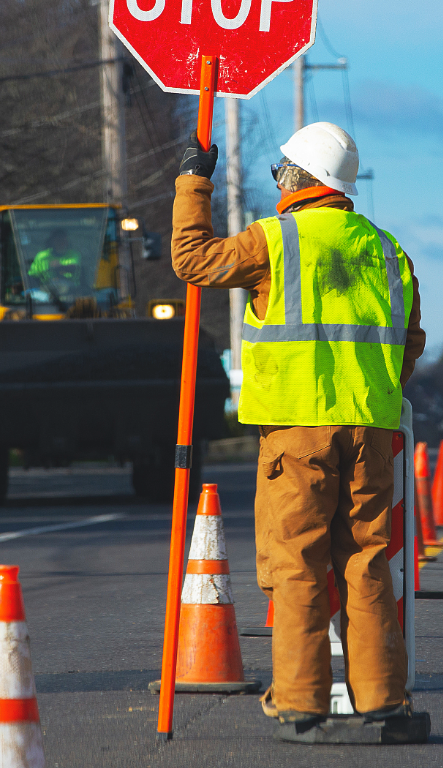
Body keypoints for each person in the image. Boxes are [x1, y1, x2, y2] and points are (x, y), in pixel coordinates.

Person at [171, 120, 427, 736]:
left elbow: (191, 261)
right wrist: (370, 392)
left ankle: (301, 700)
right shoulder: (387, 250)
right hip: (369, 430)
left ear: (296, 177)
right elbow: (410, 341)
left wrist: (193, 183)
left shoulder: (273, 240)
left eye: (279, 170)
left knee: (297, 565)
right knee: (367, 563)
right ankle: (383, 700)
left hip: (296, 432)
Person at [29, 229, 83, 300]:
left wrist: (59, 267)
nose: (61, 242)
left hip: (70, 291)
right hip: (46, 292)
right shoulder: (42, 256)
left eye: (63, 239)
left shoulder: (73, 254)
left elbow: (73, 267)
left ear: (67, 241)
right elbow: (32, 276)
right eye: (58, 239)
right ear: (52, 241)